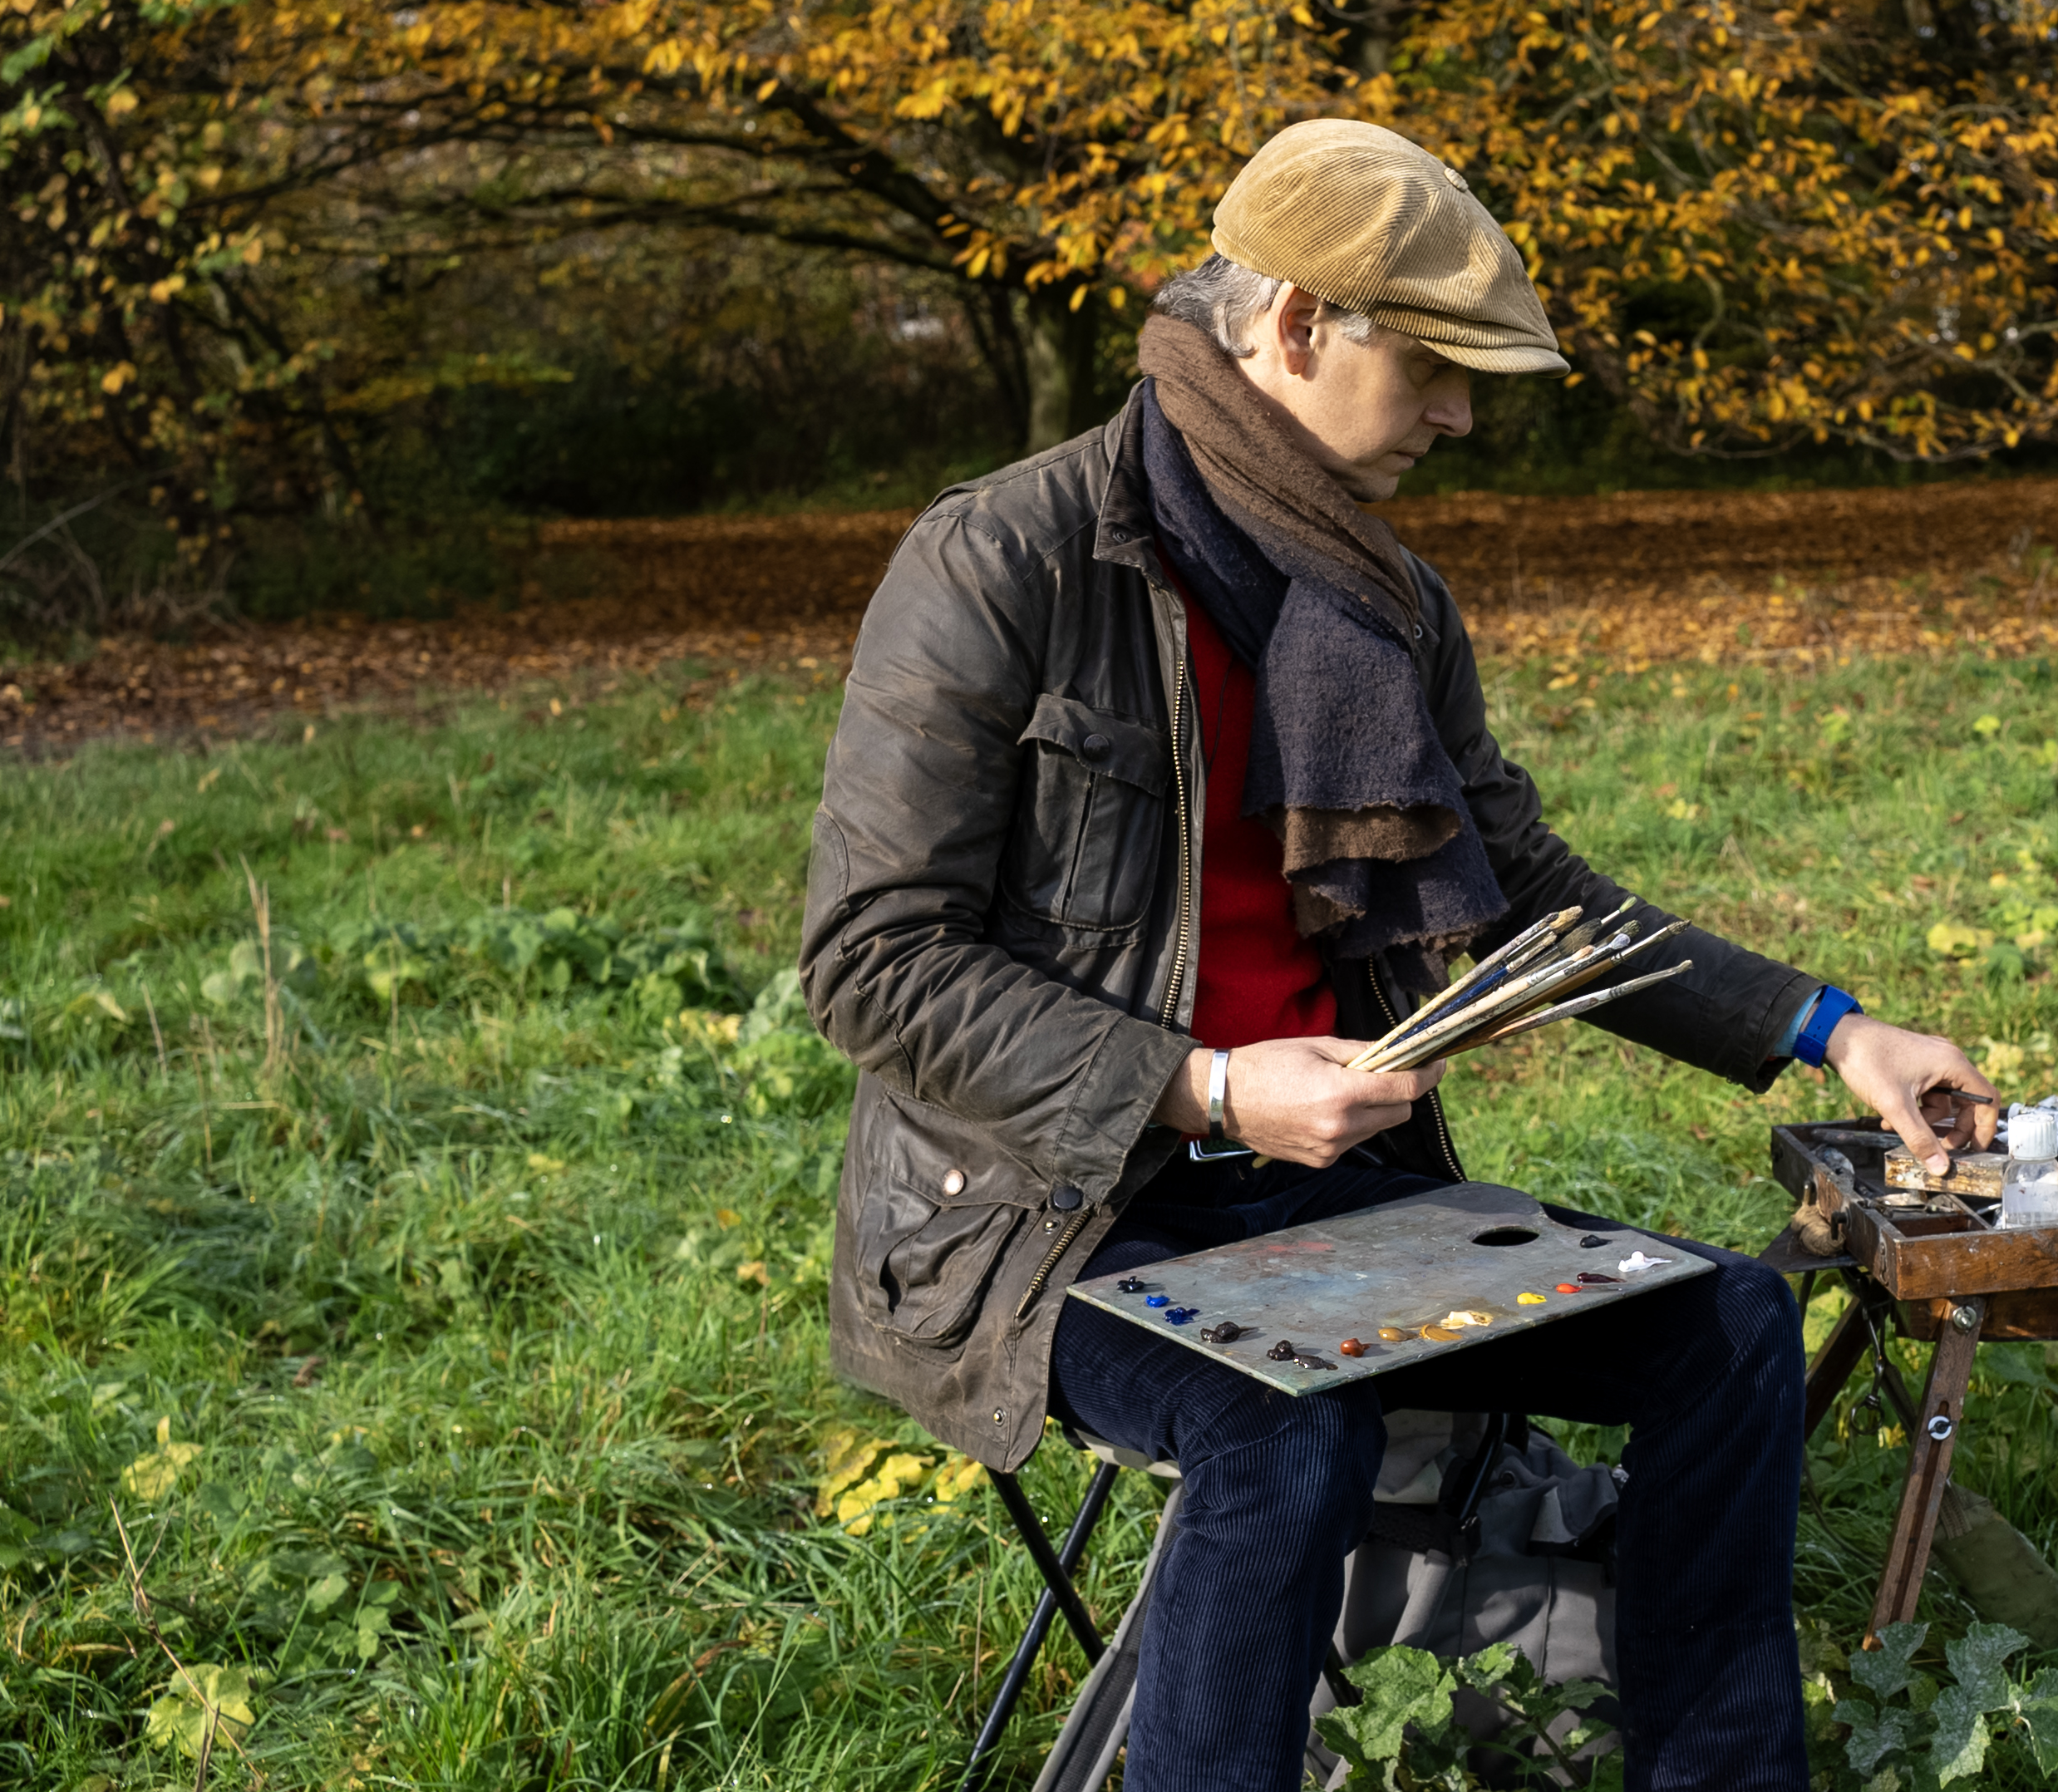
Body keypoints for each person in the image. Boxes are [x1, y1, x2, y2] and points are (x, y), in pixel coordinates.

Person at [801, 119, 1993, 1791]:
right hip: (1041, 1228)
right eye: (1436, 368)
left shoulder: (1391, 602)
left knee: (1728, 1328)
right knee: (1285, 1420)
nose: (1462, 414)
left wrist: (1832, 1031)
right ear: (1293, 326)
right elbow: (872, 961)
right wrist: (1204, 1087)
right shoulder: (1007, 558)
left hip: (1321, 1208)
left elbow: (1526, 893)